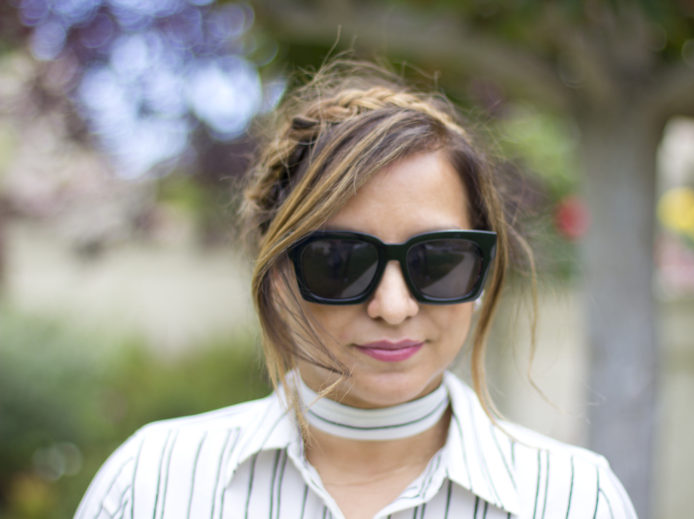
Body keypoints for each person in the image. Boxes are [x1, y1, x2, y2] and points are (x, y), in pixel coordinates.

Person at [75, 60, 637, 519]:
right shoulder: (152, 484)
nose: (393, 307)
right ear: (276, 271)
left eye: (438, 261)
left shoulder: (572, 499)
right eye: (339, 262)